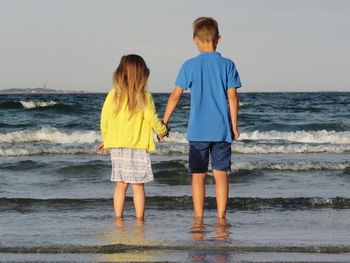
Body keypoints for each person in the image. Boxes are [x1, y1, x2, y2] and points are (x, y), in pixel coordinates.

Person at [162, 17, 241, 219]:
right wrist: (234, 125)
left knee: (198, 176)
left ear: (195, 39)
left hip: (198, 131)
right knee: (221, 174)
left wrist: (164, 122)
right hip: (221, 130)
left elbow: (175, 96)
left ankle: (199, 218)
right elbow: (232, 97)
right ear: (218, 39)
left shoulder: (189, 65)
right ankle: (221, 217)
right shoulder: (228, 65)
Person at [97, 54, 168, 219]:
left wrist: (107, 140)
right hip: (137, 146)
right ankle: (139, 220)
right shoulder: (144, 96)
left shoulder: (113, 95)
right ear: (142, 75)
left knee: (120, 185)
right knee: (138, 186)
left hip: (118, 146)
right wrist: (162, 130)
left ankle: (118, 219)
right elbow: (152, 118)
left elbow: (104, 120)